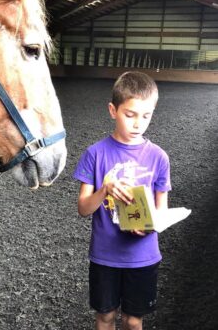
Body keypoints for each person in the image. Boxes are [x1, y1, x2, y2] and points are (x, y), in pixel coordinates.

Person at [73, 71, 171, 330]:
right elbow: (83, 208)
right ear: (112, 110)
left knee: (133, 319)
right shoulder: (94, 154)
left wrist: (150, 225)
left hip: (144, 256)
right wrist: (104, 190)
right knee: (105, 317)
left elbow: (162, 212)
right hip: (105, 257)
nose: (138, 123)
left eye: (146, 116)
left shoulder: (159, 157)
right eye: (130, 115)